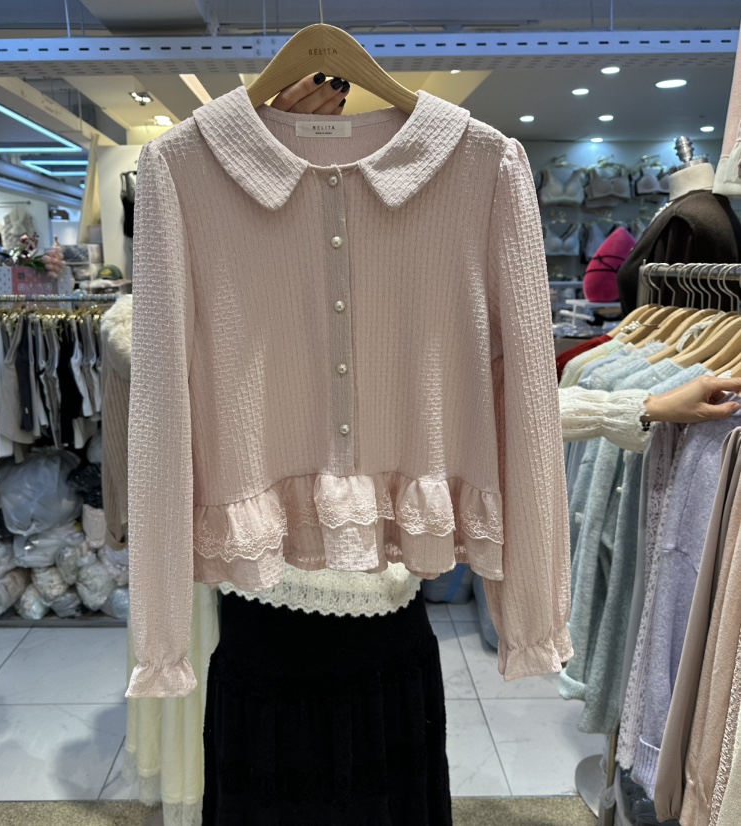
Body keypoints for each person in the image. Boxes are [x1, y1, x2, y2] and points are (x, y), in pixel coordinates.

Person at [195, 76, 741, 825]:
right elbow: (159, 382)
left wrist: (638, 405)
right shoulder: (210, 194)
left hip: (384, 612)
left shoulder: (461, 185)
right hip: (263, 605)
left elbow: (500, 408)